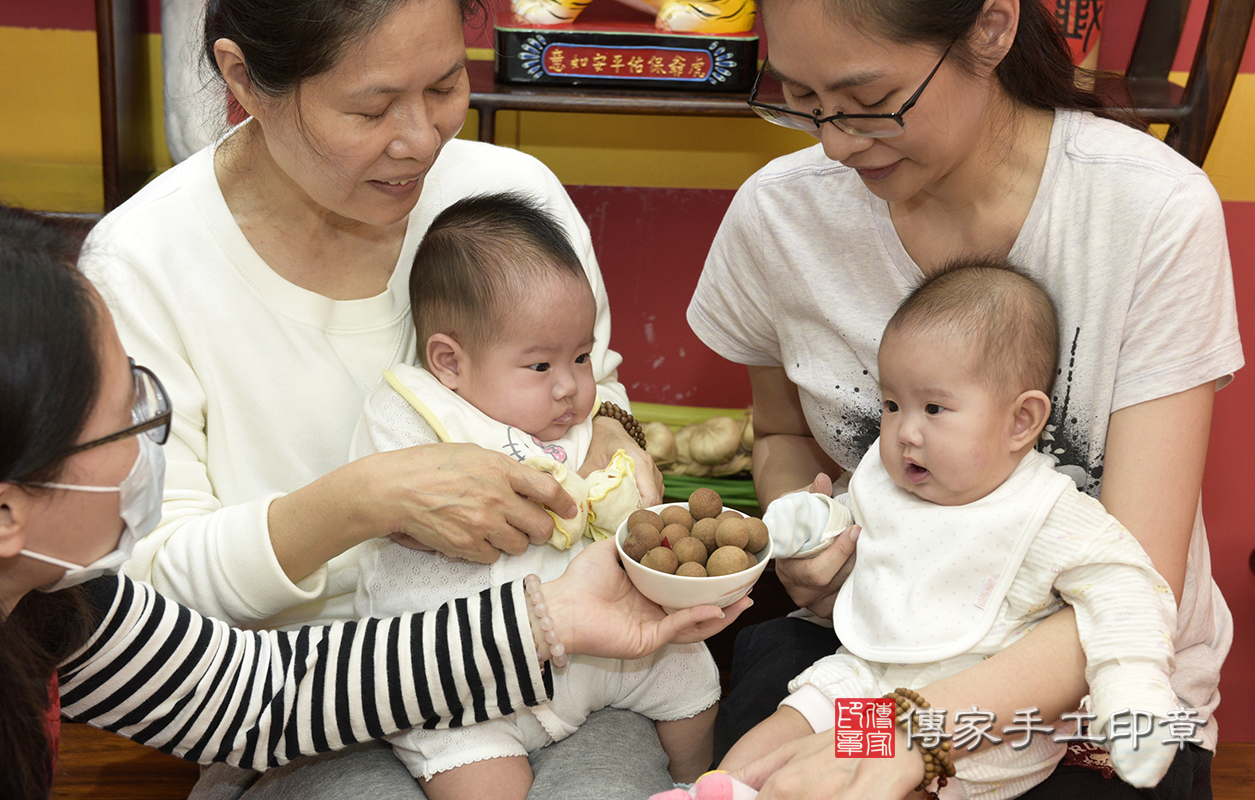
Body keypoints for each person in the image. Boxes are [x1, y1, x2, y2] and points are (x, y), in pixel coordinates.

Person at [78, 0, 668, 797]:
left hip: (573, 664)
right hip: (308, 705)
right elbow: (151, 593)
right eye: (371, 107)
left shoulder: (507, 194)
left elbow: (596, 388)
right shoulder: (145, 264)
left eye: (446, 83)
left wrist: (613, 431)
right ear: (243, 79)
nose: (421, 138)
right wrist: (362, 502)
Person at [0, 206, 749, 800]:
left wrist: (549, 617)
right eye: (130, 419)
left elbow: (254, 698)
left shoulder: (62, 604)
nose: (151, 447)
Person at [686, 0, 1241, 796]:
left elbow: (1133, 584)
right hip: (870, 650)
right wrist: (805, 542)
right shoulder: (781, 215)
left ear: (990, 27)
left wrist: (912, 732)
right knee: (754, 773)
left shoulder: (1148, 210)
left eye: (871, 104)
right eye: (801, 102)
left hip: (1092, 694)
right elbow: (776, 434)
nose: (837, 142)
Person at [659, 261, 1179, 800]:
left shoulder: (1045, 511)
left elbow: (1132, 591)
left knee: (876, 786)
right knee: (777, 735)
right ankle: (716, 791)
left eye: (934, 407)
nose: (905, 431)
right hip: (866, 675)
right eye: (891, 404)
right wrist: (808, 522)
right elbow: (846, 519)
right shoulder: (889, 482)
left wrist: (1134, 692)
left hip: (981, 719)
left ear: (1021, 421)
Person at [353, 192, 721, 799]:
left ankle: (697, 784)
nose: (571, 387)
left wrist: (628, 470)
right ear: (450, 361)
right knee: (480, 779)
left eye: (580, 356)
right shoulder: (411, 413)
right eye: (540, 366)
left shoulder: (580, 413)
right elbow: (392, 509)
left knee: (692, 681)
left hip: (599, 653)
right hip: (465, 681)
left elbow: (615, 431)